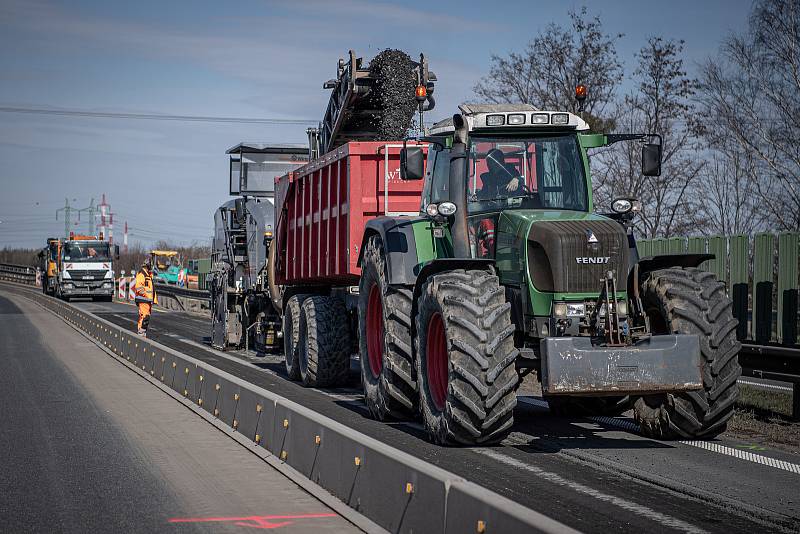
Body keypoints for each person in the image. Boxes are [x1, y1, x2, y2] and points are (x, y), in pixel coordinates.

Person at [134, 258, 158, 337]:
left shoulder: (148, 275)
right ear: (148, 265)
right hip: (144, 299)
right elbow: (138, 287)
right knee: (145, 317)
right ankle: (141, 334)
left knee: (145, 317)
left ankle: (142, 333)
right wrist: (146, 295)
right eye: (150, 265)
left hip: (147, 300)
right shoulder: (142, 274)